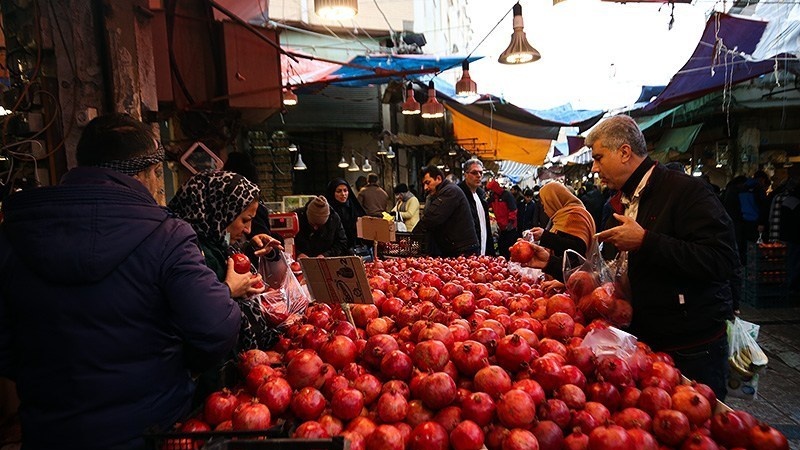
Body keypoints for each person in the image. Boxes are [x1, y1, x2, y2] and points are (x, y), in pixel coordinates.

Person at [0, 113, 242, 450]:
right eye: (157, 173)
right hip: (149, 430)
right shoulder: (166, 235)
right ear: (144, 173)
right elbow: (216, 327)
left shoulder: (14, 236)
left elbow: (4, 345)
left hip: (48, 432)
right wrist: (177, 364)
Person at [586, 114, 738, 400]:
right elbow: (614, 268)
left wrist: (646, 241)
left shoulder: (686, 191)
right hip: (646, 340)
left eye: (598, 157)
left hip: (691, 347)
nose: (595, 168)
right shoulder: (621, 201)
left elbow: (721, 259)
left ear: (624, 152)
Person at [168, 170, 283, 354]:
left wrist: (251, 249)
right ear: (221, 210)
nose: (248, 229)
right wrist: (228, 290)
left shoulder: (217, 242)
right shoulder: (188, 252)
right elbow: (194, 313)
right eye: (245, 220)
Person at [527, 182, 596, 280]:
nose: (545, 210)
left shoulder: (574, 215)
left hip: (578, 278)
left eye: (545, 205)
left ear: (554, 201)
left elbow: (577, 248)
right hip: (567, 277)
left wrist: (545, 236)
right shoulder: (562, 216)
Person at [223, 152, 284, 253]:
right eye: (244, 220)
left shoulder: (227, 245)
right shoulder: (205, 253)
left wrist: (256, 247)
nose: (248, 230)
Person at [416, 165, 479, 257]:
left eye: (428, 182)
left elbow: (431, 218)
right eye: (424, 184)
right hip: (454, 248)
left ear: (438, 178)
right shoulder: (440, 193)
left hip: (463, 250)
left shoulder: (450, 191)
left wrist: (413, 236)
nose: (425, 187)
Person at [458, 158, 495, 256]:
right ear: (465, 174)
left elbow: (485, 226)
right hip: (464, 255)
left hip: (482, 251)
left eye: (480, 173)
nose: (478, 176)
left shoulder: (480, 195)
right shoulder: (458, 195)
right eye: (474, 173)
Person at [325, 178, 366, 252]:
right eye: (338, 191)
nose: (343, 194)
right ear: (332, 192)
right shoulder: (327, 211)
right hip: (334, 251)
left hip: (355, 250)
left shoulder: (353, 207)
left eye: (345, 190)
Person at [486, 179, 519, 259]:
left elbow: (513, 209)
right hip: (501, 227)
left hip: (509, 227)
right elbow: (489, 206)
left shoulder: (507, 195)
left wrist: (511, 222)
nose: (490, 192)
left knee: (509, 248)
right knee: (501, 247)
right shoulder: (493, 197)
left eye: (491, 190)